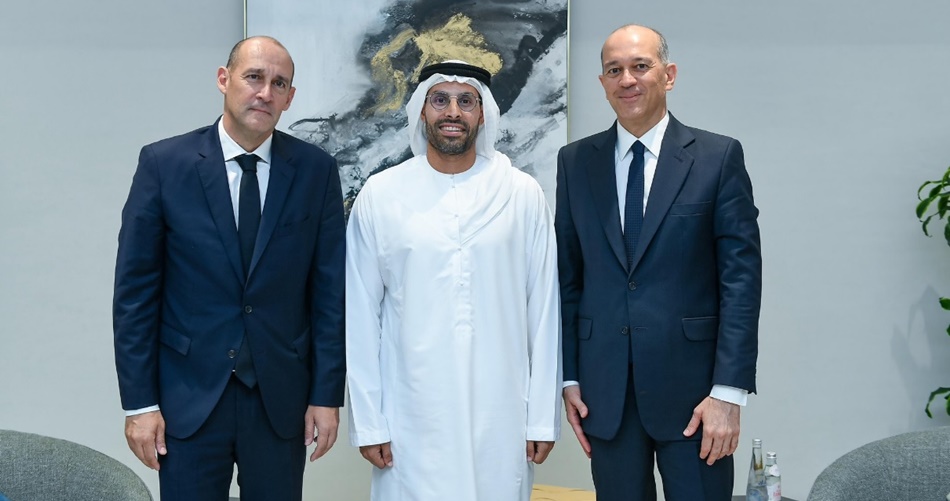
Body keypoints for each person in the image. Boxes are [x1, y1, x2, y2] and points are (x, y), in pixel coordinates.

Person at [113, 36, 345, 500]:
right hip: (188, 399)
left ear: (290, 98)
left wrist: (326, 395)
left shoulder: (316, 171)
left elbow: (329, 294)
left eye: (279, 84)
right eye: (254, 77)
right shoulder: (164, 164)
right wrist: (140, 404)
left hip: (279, 398)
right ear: (224, 79)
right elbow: (134, 295)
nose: (265, 92)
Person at [555, 25, 762, 500]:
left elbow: (741, 283)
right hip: (606, 395)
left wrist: (729, 393)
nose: (627, 79)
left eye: (640, 66)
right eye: (614, 70)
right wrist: (569, 376)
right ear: (603, 83)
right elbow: (569, 279)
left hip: (698, 399)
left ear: (668, 75)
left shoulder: (717, 157)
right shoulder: (575, 162)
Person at [345, 61, 562, 501]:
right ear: (421, 111)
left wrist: (542, 418)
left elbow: (544, 311)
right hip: (409, 418)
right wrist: (369, 423)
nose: (452, 112)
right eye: (440, 99)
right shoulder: (381, 195)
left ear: (483, 114)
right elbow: (361, 317)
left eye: (466, 101)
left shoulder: (521, 194)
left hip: (501, 417)